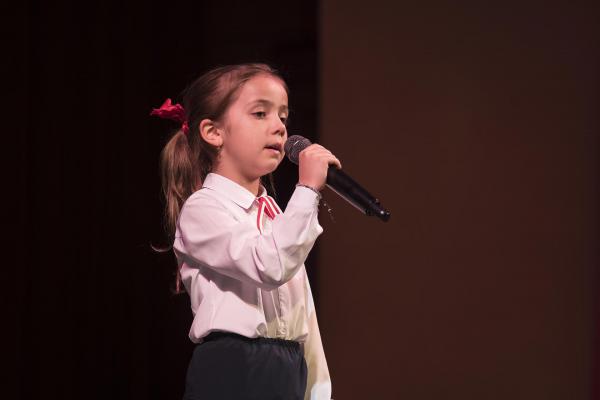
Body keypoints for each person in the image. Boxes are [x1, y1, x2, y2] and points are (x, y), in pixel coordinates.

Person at [151, 63, 341, 400]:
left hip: (288, 368)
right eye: (260, 113)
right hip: (236, 367)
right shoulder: (203, 209)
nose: (279, 128)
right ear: (213, 132)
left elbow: (304, 319)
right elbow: (268, 263)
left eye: (283, 117)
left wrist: (319, 391)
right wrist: (308, 189)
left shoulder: (276, 216)